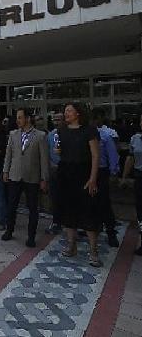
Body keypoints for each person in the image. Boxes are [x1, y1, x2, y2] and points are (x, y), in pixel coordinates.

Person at [56, 103, 102, 267]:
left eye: (69, 110)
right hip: (66, 172)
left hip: (84, 173)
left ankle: (93, 250)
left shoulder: (89, 130)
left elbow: (96, 156)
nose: (66, 113)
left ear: (78, 113)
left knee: (88, 212)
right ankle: (71, 245)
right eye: (65, 111)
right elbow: (61, 150)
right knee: (69, 211)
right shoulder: (62, 130)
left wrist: (93, 178)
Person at [2, 109, 49, 248]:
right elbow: (8, 154)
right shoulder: (13, 134)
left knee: (33, 208)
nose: (18, 120)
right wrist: (5, 171)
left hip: (32, 177)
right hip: (15, 175)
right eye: (17, 118)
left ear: (28, 119)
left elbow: (44, 159)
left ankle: (31, 236)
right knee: (11, 206)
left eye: (20, 118)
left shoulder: (40, 136)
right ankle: (9, 230)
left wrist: (44, 178)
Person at [93, 108, 120, 248]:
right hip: (88, 172)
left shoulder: (105, 135)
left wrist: (114, 172)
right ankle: (93, 227)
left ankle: (111, 232)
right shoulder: (85, 134)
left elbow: (113, 155)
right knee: (91, 202)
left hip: (102, 171)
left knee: (104, 202)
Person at [120, 114, 142, 256]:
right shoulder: (136, 139)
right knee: (140, 209)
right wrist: (124, 177)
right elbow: (130, 158)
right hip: (140, 176)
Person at [45, 113, 64, 235]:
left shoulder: (70, 134)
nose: (56, 122)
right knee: (55, 198)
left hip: (69, 169)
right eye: (54, 119)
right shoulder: (51, 136)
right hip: (54, 171)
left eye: (59, 119)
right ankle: (56, 222)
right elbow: (47, 153)